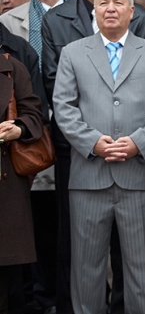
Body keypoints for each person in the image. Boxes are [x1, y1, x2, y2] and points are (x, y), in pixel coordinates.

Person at [42, 0, 145, 314]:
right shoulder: (74, 52)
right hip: (88, 173)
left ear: (131, 10)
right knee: (86, 268)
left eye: (118, 2)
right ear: (94, 10)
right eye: (103, 3)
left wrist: (138, 143)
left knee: (141, 269)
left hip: (138, 173)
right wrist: (94, 142)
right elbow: (63, 104)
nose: (110, 8)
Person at [0, 53, 44, 314]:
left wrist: (19, 129)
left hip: (5, 187)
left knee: (4, 279)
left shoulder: (11, 67)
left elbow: (34, 115)